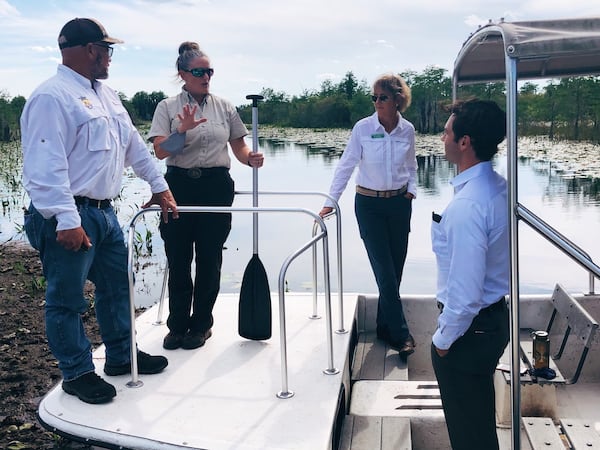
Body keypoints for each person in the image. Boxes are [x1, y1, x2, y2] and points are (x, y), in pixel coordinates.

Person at [21, 18, 179, 405]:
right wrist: (66, 219)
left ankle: (122, 357)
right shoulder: (52, 97)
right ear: (90, 49)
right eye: (107, 49)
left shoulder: (106, 96)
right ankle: (76, 373)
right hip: (69, 215)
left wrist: (160, 187)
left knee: (116, 289)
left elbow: (135, 147)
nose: (110, 57)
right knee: (67, 298)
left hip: (104, 214)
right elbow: (45, 166)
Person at [148, 42, 264, 351]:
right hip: (179, 187)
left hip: (215, 186)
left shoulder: (224, 106)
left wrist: (249, 157)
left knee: (210, 258)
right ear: (183, 74)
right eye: (199, 71)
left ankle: (201, 325)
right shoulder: (167, 107)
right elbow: (160, 152)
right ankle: (177, 326)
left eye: (209, 71)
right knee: (179, 257)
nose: (206, 76)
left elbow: (238, 145)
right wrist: (182, 130)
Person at [319, 73, 417, 357]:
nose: (376, 102)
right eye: (373, 97)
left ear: (398, 100)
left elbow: (411, 167)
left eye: (382, 97)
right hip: (369, 206)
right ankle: (401, 335)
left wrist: (411, 191)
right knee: (384, 272)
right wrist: (330, 201)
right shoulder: (363, 128)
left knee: (394, 271)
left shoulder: (407, 130)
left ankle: (383, 326)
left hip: (399, 205)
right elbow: (346, 166)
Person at [430, 98, 509, 450]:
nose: (441, 137)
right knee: (477, 424)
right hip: (490, 323)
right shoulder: (498, 188)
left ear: (464, 142)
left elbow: (464, 295)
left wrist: (442, 343)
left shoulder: (467, 206)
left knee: (469, 435)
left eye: (447, 132)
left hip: (468, 332)